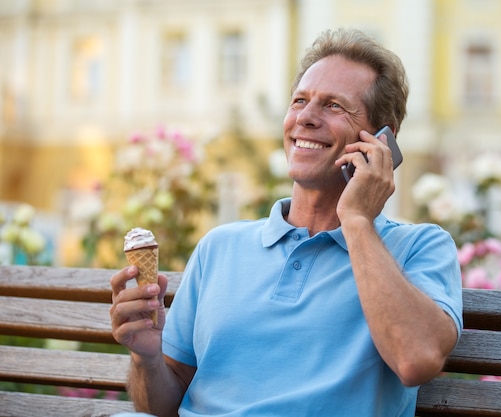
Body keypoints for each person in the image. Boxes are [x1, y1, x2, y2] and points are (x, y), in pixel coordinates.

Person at [110, 28, 463, 417]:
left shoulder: (421, 247)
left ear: (381, 141)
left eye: (333, 106)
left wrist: (357, 220)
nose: (306, 118)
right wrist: (147, 359)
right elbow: (163, 402)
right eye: (299, 101)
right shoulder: (220, 246)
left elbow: (417, 360)